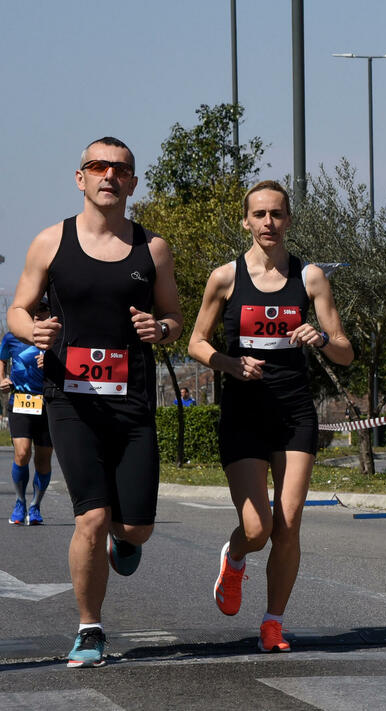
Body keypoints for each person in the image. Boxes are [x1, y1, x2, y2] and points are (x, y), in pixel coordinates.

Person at [6, 136, 183, 668]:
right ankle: (89, 628)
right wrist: (33, 329)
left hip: (132, 403)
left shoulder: (152, 249)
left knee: (134, 528)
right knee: (91, 516)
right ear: (80, 178)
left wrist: (162, 328)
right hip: (70, 401)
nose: (109, 174)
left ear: (132, 182)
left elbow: (174, 318)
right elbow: (18, 308)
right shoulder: (49, 242)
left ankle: (123, 543)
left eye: (120, 168)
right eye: (97, 166)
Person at [188, 179, 353, 653]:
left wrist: (320, 339)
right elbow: (197, 342)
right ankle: (235, 556)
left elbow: (345, 352)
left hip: (294, 411)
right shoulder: (224, 277)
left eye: (277, 214)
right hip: (243, 411)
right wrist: (229, 364)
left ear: (288, 221)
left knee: (289, 521)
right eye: (259, 215)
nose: (268, 223)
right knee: (257, 528)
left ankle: (273, 622)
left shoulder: (311, 277)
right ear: (246, 221)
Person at [1, 298, 54, 525]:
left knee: (43, 460)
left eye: (42, 312)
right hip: (21, 400)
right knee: (22, 454)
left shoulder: (58, 339)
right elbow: (2, 359)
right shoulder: (12, 337)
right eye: (34, 312)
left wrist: (53, 361)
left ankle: (35, 507)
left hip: (49, 402)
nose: (37, 316)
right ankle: (20, 502)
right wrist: (2, 378)